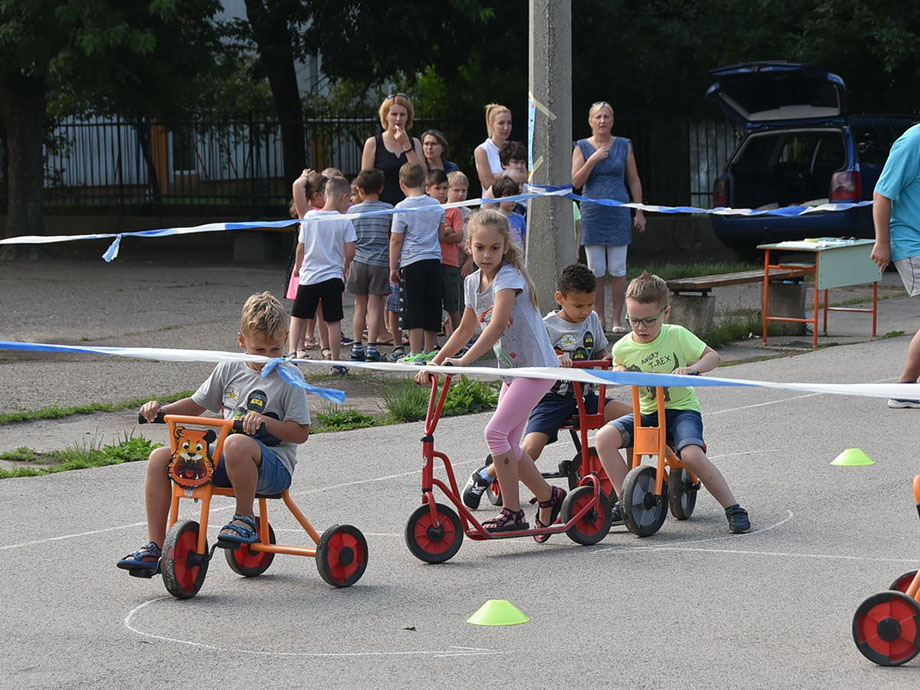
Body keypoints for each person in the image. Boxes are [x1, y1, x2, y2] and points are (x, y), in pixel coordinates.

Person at [117, 292, 312, 573]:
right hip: (228, 460)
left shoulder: (290, 376)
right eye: (258, 350)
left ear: (286, 340)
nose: (267, 358)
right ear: (242, 341)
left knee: (235, 443)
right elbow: (197, 404)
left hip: (273, 470)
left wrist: (265, 422)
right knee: (160, 457)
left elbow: (300, 433)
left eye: (275, 350)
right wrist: (160, 410)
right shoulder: (229, 367)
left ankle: (245, 518)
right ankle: (155, 548)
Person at [416, 209, 565, 539]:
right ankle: (549, 496)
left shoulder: (508, 278)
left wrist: (463, 363)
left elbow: (496, 326)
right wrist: (436, 361)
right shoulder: (472, 282)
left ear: (505, 247)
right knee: (509, 442)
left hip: (536, 368)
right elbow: (464, 329)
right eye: (480, 247)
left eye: (495, 248)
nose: (487, 255)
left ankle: (512, 512)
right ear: (468, 245)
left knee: (495, 434)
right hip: (513, 371)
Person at [462, 262, 632, 510]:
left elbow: (599, 351)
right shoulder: (546, 324)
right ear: (560, 299)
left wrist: (609, 359)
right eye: (578, 306)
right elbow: (536, 353)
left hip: (586, 396)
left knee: (635, 418)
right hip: (550, 398)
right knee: (530, 449)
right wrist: (555, 358)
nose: (585, 311)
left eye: (590, 304)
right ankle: (487, 473)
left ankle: (630, 482)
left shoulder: (593, 320)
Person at [594, 272, 751, 534]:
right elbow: (617, 365)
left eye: (649, 320)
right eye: (634, 320)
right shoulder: (622, 347)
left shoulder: (676, 335)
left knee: (691, 455)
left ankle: (733, 508)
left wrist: (692, 369)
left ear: (665, 313)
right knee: (603, 438)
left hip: (681, 411)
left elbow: (713, 356)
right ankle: (627, 502)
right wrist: (618, 370)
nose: (641, 328)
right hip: (647, 414)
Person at [572, 101, 647, 334]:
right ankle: (599, 317)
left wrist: (639, 211)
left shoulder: (624, 145)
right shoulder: (581, 146)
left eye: (606, 116)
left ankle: (617, 319)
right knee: (595, 269)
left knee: (617, 268)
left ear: (612, 120)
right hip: (592, 213)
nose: (602, 121)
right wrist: (593, 159)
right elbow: (575, 182)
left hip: (618, 212)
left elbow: (633, 179)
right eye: (598, 117)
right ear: (590, 121)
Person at [871, 123, 920, 408]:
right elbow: (882, 193)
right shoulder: (913, 142)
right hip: (912, 242)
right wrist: (882, 242)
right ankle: (904, 389)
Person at [289, 176, 356, 374]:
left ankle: (292, 354)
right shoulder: (343, 220)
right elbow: (351, 251)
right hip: (332, 277)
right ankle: (336, 363)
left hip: (309, 277)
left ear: (325, 195)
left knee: (298, 317)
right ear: (343, 197)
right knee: (333, 321)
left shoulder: (310, 217)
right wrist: (346, 264)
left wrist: (297, 267)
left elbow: (300, 247)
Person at [390, 163, 445, 361]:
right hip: (433, 260)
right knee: (432, 304)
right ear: (424, 182)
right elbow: (440, 234)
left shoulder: (401, 208)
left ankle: (415, 352)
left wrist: (392, 266)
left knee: (413, 306)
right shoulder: (436, 205)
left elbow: (396, 239)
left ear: (401, 184)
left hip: (412, 261)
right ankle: (430, 348)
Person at [347, 169, 392, 363]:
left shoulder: (352, 211)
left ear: (360, 190)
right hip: (379, 263)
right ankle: (372, 348)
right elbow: (391, 236)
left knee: (360, 306)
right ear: (381, 188)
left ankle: (357, 346)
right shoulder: (388, 209)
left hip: (358, 261)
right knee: (375, 307)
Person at [286, 170, 331, 353]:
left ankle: (325, 346)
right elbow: (297, 186)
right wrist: (304, 177)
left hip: (325, 268)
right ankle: (299, 348)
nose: (330, 196)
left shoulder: (332, 212)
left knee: (324, 313)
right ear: (316, 195)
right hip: (307, 268)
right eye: (326, 193)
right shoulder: (308, 213)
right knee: (302, 312)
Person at [361, 93, 424, 206]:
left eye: (402, 114)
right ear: (386, 116)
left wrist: (406, 145)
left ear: (408, 117)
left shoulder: (415, 143)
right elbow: (366, 181)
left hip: (410, 206)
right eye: (394, 114)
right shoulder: (373, 143)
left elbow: (422, 174)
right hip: (382, 207)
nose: (398, 119)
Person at [426, 169, 464, 336]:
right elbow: (430, 233)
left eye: (444, 188)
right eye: (437, 188)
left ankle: (458, 338)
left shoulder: (453, 210)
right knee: (432, 303)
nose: (441, 192)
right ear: (428, 189)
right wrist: (447, 231)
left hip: (450, 263)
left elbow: (459, 236)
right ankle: (432, 341)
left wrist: (443, 233)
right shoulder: (427, 209)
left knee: (452, 304)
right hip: (431, 260)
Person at [474, 103, 513, 195]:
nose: (506, 128)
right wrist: (508, 175)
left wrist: (496, 177)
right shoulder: (482, 150)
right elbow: (487, 184)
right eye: (501, 123)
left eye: (509, 123)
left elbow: (524, 177)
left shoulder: (513, 148)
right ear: (491, 124)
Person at [492, 176, 527, 251]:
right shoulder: (494, 218)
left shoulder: (520, 218)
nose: (512, 200)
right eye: (507, 196)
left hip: (519, 255)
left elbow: (524, 239)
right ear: (498, 197)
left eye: (514, 196)